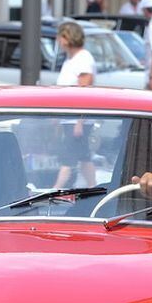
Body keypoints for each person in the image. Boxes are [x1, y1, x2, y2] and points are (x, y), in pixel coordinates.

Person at [53, 21, 96, 188]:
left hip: (76, 120)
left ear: (68, 38)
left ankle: (56, 188)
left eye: (61, 36)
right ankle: (93, 185)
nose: (58, 40)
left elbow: (84, 93)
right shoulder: (70, 59)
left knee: (68, 157)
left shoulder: (83, 59)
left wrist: (80, 121)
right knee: (84, 157)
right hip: (68, 118)